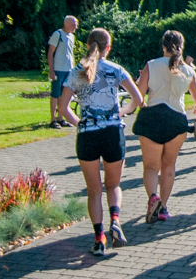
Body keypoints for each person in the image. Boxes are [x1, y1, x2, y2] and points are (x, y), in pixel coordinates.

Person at [58, 28, 143, 255]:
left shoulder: (77, 71)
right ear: (108, 47)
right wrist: (121, 113)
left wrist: (80, 123)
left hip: (88, 135)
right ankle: (115, 220)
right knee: (113, 185)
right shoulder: (116, 69)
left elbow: (62, 107)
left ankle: (99, 239)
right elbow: (138, 99)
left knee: (94, 190)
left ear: (87, 45)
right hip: (112, 132)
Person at [133, 31, 196, 224]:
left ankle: (152, 198)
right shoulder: (189, 70)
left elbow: (138, 95)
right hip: (176, 119)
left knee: (150, 166)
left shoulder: (151, 65)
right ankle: (163, 206)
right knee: (169, 165)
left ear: (163, 46)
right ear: (182, 46)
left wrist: (142, 107)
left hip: (152, 116)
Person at [46, 15, 78, 128]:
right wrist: (51, 70)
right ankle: (52, 120)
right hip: (58, 69)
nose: (76, 27)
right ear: (67, 24)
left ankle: (61, 118)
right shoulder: (58, 34)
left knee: (65, 95)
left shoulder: (72, 37)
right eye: (74, 24)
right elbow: (50, 53)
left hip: (69, 69)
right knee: (55, 94)